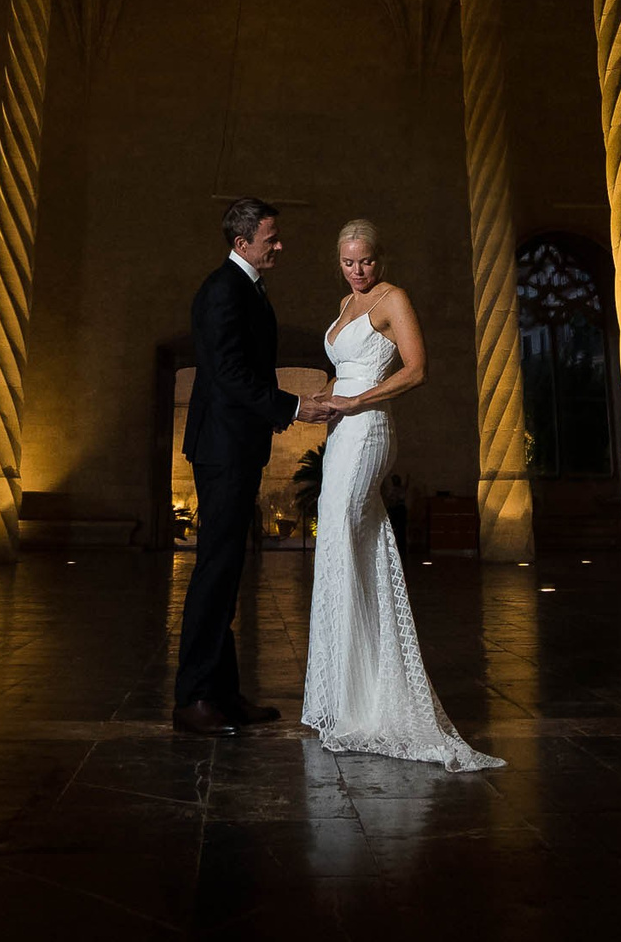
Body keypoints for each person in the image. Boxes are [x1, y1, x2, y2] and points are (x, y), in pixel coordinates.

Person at [301, 219, 503, 771]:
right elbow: (349, 369)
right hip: (342, 429)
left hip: (368, 431)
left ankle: (370, 701)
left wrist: (356, 400)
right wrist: (331, 397)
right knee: (349, 547)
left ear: (380, 258)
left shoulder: (394, 299)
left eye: (364, 260)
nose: (357, 270)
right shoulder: (347, 302)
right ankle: (349, 693)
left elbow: (417, 370)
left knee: (343, 540)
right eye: (347, 261)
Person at [173, 197, 334, 736]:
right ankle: (192, 700)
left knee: (227, 572)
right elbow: (226, 375)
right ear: (242, 243)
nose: (280, 245)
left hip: (235, 444)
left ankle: (222, 694)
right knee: (214, 572)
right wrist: (293, 406)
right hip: (222, 448)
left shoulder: (244, 288)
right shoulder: (223, 290)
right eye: (271, 238)